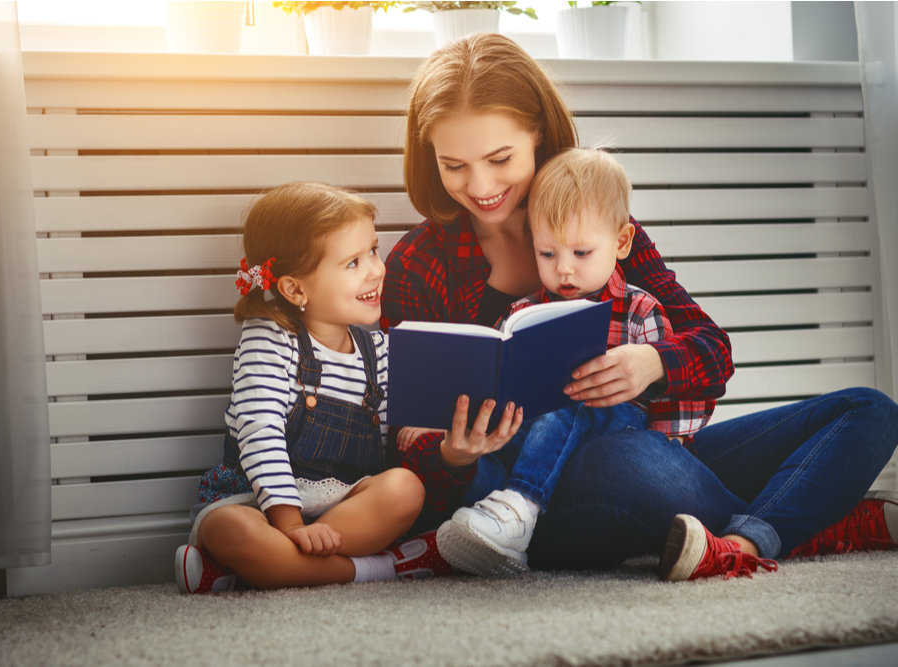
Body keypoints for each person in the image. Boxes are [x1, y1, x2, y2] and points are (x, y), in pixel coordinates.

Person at [383, 32, 898, 582]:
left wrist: (651, 366)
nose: (480, 185)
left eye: (499, 158)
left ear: (536, 133)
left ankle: (743, 541)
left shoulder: (601, 228)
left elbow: (713, 352)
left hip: (648, 453)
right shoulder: (420, 262)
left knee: (868, 411)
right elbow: (398, 439)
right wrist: (451, 456)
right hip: (530, 497)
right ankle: (816, 520)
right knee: (624, 460)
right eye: (454, 165)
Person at [175, 181, 522, 593]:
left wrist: (442, 440)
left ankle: (254, 572)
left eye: (373, 250)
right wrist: (288, 524)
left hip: (343, 508)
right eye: (353, 262)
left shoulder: (381, 350)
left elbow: (401, 441)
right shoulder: (270, 338)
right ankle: (385, 568)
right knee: (228, 528)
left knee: (405, 489)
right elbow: (259, 433)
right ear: (294, 288)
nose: (376, 269)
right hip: (258, 500)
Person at [430, 147, 715, 577]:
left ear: (621, 243)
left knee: (573, 394)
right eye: (548, 254)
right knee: (480, 453)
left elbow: (677, 394)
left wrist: (669, 446)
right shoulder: (521, 313)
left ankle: (521, 505)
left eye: (581, 253)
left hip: (611, 438)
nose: (564, 270)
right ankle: (500, 532)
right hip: (534, 439)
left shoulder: (640, 309)